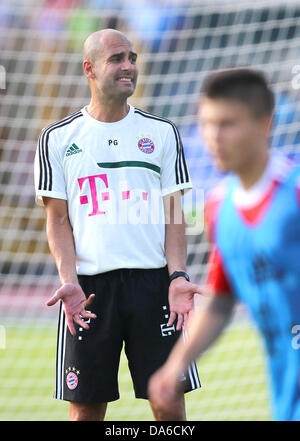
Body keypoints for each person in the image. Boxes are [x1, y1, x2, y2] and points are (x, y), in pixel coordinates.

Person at [34, 28, 201, 421]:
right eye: (117, 59)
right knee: (86, 410)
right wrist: (68, 278)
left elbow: (174, 214)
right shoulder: (57, 138)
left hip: (153, 286)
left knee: (169, 404)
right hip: (89, 292)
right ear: (89, 69)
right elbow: (57, 220)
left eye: (132, 58)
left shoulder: (162, 133)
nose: (129, 66)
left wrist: (177, 274)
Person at [148, 68, 300, 421]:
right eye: (206, 124)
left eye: (227, 124)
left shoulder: (294, 193)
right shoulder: (220, 208)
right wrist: (176, 366)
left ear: (265, 124)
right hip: (286, 395)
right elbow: (220, 301)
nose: (213, 137)